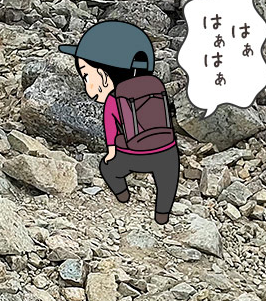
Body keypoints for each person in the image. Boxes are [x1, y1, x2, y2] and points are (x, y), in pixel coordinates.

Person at [58, 21, 180, 224]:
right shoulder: (156, 87)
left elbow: (111, 126)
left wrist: (112, 151)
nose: (86, 83)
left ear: (105, 78)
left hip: (135, 154)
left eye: (87, 75)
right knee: (168, 178)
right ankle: (162, 213)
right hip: (166, 151)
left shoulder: (114, 99)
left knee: (108, 168)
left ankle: (123, 195)